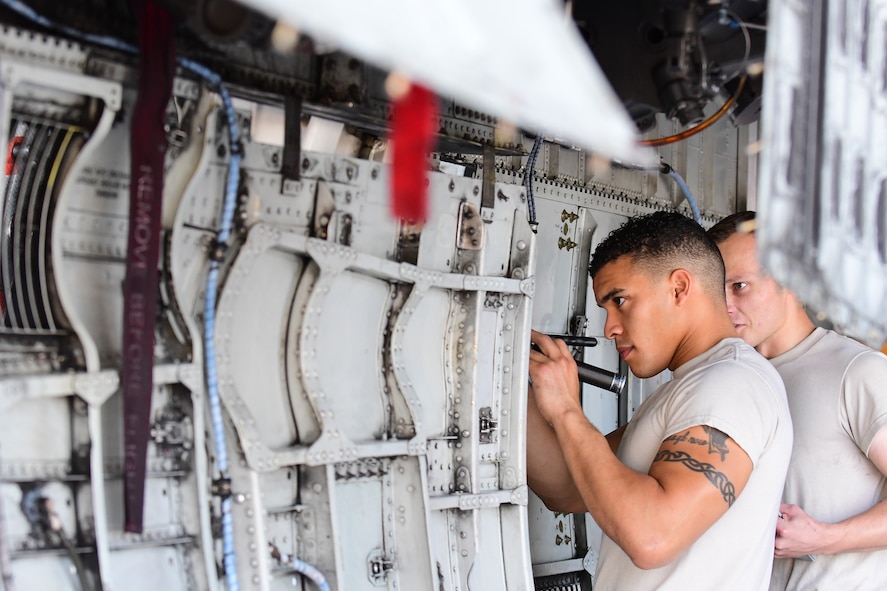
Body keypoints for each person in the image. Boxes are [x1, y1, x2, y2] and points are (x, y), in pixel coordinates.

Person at [528, 211, 792, 590]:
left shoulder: (731, 384)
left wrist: (567, 410)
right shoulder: (687, 389)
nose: (609, 329)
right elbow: (569, 487)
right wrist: (520, 383)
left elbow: (653, 538)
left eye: (620, 300)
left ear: (679, 288)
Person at [708, 211, 887, 591]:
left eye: (739, 286)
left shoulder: (855, 371)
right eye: (715, 290)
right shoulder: (734, 379)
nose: (724, 305)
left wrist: (825, 537)